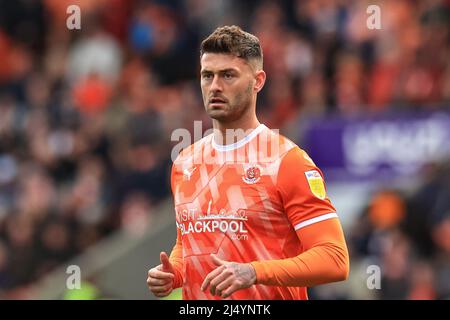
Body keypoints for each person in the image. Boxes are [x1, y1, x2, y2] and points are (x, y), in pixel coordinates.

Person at [147, 25, 349, 300]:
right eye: (208, 76)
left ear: (258, 81)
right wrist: (177, 273)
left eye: (228, 75)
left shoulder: (287, 162)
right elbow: (189, 241)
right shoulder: (184, 162)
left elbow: (334, 259)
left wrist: (254, 272)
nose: (215, 86)